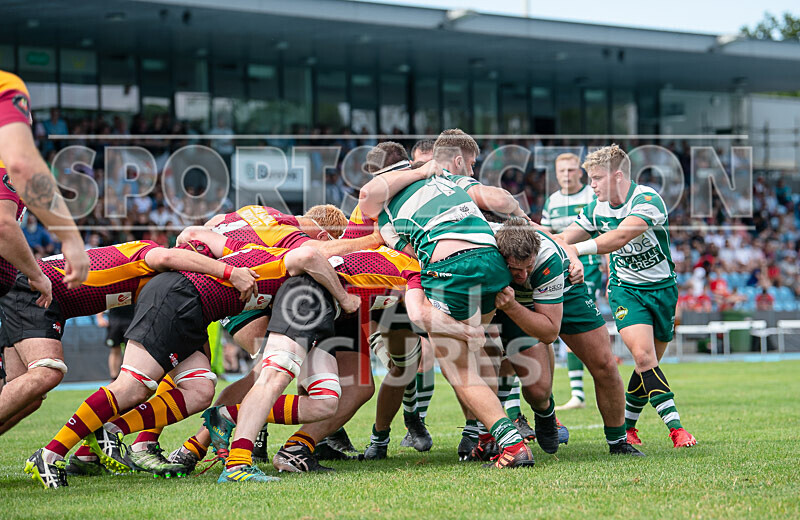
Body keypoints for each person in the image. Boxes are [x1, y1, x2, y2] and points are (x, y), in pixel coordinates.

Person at [25, 239, 358, 488]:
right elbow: (309, 255)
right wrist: (345, 297)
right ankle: (51, 454)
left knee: (200, 391)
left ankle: (110, 432)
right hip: (181, 298)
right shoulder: (288, 258)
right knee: (132, 386)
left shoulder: (251, 248)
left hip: (193, 308)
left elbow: (194, 235)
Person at [359, 134, 534, 469]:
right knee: (478, 351)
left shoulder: (385, 209)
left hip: (452, 267)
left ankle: (512, 444)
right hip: (492, 259)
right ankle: (486, 437)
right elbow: (498, 198)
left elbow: (406, 249)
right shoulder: (446, 178)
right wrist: (525, 219)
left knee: (460, 367)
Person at [0, 240, 259, 439]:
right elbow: (168, 256)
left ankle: (99, 446)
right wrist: (229, 272)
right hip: (37, 287)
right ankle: (67, 449)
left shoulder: (167, 285)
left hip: (39, 291)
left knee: (29, 398)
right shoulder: (151, 253)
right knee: (47, 372)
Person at [558, 144, 697, 448]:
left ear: (617, 176)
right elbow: (564, 237)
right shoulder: (595, 208)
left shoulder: (647, 200)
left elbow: (620, 236)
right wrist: (541, 239)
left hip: (662, 290)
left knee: (646, 365)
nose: (592, 186)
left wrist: (575, 249)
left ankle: (629, 428)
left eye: (597, 178)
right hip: (625, 290)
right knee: (644, 357)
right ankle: (676, 429)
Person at [494, 218, 643, 457]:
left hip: (564, 287)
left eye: (528, 267)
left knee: (604, 364)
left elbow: (549, 332)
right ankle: (545, 412)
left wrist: (570, 254)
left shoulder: (547, 257)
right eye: (515, 269)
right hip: (516, 299)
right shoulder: (488, 244)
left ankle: (619, 442)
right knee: (537, 391)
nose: (522, 275)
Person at [0, 71, 89, 291]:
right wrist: (70, 238)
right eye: (26, 112)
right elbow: (3, 226)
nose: (29, 119)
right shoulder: (6, 84)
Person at [541, 152, 603, 411]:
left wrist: (606, 263)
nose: (566, 175)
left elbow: (603, 231)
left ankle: (578, 392)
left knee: (574, 323)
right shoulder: (552, 201)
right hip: (560, 269)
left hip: (588, 267)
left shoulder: (592, 196)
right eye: (561, 171)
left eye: (570, 170)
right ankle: (577, 392)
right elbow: (546, 235)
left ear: (580, 172)